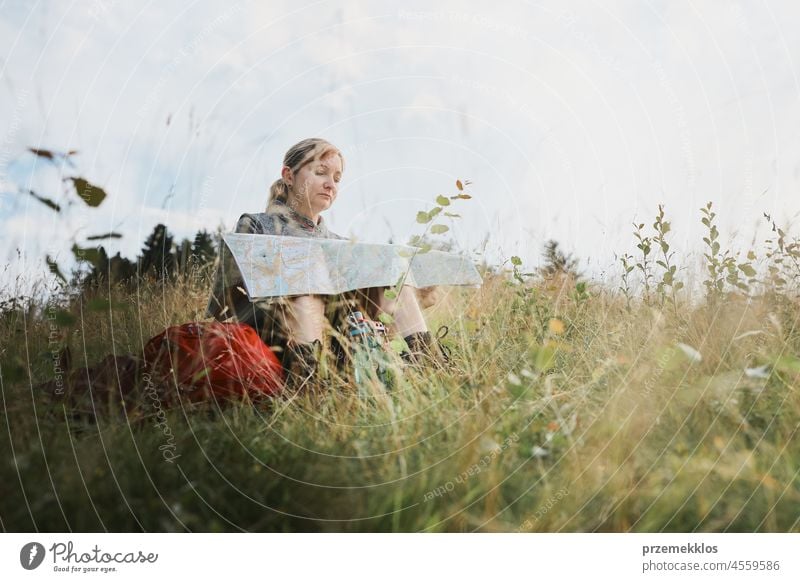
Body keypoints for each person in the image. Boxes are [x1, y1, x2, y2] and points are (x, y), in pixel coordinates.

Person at [206, 138, 445, 389]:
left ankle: (430, 369)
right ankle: (309, 387)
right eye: (321, 173)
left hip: (333, 343)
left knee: (391, 276)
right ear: (289, 175)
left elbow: (357, 304)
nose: (331, 184)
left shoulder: (340, 245)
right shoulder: (255, 225)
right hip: (264, 337)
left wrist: (402, 299)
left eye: (337, 179)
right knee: (304, 287)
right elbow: (231, 300)